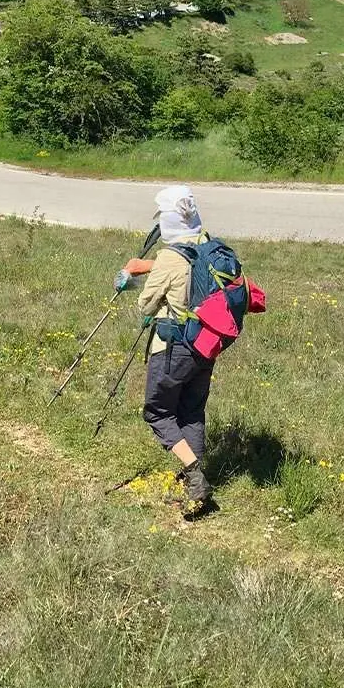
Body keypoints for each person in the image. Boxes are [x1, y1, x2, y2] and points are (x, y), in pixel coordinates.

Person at [135, 186, 217, 515]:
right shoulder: (209, 245)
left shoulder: (170, 257)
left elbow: (146, 304)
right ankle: (192, 483)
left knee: (158, 412)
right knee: (191, 412)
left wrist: (132, 279)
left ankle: (195, 476)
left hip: (174, 347)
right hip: (206, 344)